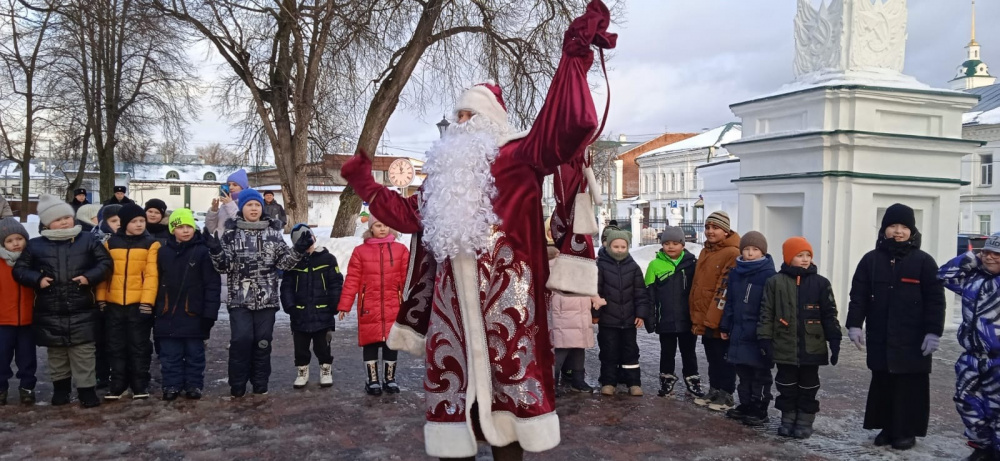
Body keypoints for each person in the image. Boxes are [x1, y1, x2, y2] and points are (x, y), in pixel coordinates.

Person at [339, 2, 614, 457]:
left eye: (471, 116)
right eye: (458, 116)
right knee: (457, 404)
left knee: (512, 404)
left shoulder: (521, 156)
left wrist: (575, 58)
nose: (461, 124)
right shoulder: (442, 177)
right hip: (452, 308)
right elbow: (408, 216)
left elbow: (567, 126)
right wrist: (365, 183)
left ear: (492, 121)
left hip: (509, 300)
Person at [847, 203, 945, 451]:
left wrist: (934, 332)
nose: (898, 231)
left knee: (909, 385)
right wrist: (854, 325)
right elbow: (858, 295)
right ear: (884, 229)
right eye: (892, 226)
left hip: (913, 338)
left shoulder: (923, 262)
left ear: (912, 231)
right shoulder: (871, 260)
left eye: (904, 227)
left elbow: (936, 300)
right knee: (883, 382)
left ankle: (906, 432)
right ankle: (887, 427)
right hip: (881, 335)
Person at [204, 188, 313, 397]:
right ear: (242, 208)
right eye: (248, 205)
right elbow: (223, 267)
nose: (253, 208)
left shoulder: (273, 234)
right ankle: (238, 384)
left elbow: (284, 263)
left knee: (263, 342)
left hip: (266, 300)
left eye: (256, 205)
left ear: (261, 208)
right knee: (241, 341)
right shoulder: (231, 234)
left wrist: (298, 249)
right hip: (239, 301)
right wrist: (216, 251)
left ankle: (260, 383)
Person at [13, 194, 112, 408]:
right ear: (47, 223)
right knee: (57, 355)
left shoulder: (87, 239)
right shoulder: (36, 245)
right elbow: (20, 270)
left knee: (84, 353)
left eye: (67, 217)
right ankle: (61, 391)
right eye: (58, 219)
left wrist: (89, 277)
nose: (64, 221)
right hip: (50, 309)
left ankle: (87, 391)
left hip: (82, 308)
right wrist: (37, 279)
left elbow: (105, 263)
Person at [759, 237, 841, 439]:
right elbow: (766, 312)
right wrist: (764, 339)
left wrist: (835, 339)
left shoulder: (821, 283)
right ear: (788, 257)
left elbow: (829, 313)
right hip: (783, 345)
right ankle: (788, 420)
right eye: (799, 255)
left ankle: (804, 421)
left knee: (809, 385)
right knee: (786, 384)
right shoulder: (775, 282)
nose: (805, 259)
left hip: (811, 346)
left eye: (808, 255)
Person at [940, 232, 1000, 461]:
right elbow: (944, 274)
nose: (990, 258)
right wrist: (974, 256)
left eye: (997, 254)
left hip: (998, 359)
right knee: (966, 401)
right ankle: (982, 447)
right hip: (972, 356)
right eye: (987, 252)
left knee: (997, 408)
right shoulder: (972, 280)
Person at [96, 204, 161, 400]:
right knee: (115, 345)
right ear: (125, 223)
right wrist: (101, 298)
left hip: (138, 304)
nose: (140, 224)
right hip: (113, 303)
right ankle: (118, 384)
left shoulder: (151, 244)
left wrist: (147, 302)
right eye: (134, 221)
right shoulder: (110, 243)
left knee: (139, 345)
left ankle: (140, 384)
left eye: (142, 221)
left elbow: (151, 276)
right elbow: (104, 274)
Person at [337, 217, 409, 395]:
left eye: (386, 224)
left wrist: (411, 303)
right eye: (378, 225)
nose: (382, 228)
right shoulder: (361, 251)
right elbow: (352, 279)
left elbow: (408, 278)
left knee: (391, 344)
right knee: (370, 343)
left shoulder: (401, 250)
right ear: (371, 228)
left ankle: (389, 379)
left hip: (394, 305)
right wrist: (344, 305)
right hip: (369, 305)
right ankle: (372, 380)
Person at [154, 208, 221, 401]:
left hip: (194, 312)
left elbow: (211, 285)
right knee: (170, 354)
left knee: (195, 354)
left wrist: (210, 313)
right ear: (172, 229)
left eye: (189, 226)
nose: (185, 230)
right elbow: (155, 281)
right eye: (180, 227)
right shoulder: (163, 252)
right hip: (167, 312)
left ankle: (193, 385)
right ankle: (172, 384)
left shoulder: (202, 251)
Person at [719, 231, 776, 423]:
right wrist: (726, 326)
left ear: (763, 252)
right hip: (739, 330)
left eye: (755, 249)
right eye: (746, 249)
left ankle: (759, 408)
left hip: (758, 332)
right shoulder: (736, 273)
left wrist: (766, 333)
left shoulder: (768, 275)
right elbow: (730, 302)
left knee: (759, 372)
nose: (750, 253)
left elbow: (770, 308)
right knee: (742, 371)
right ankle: (745, 404)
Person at [282, 224, 343, 390]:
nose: (308, 244)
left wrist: (334, 303)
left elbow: (336, 282)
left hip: (323, 312)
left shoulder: (327, 259)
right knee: (300, 347)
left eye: (309, 239)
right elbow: (286, 286)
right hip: (300, 313)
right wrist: (290, 306)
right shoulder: (293, 262)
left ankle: (325, 369)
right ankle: (302, 371)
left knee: (322, 345)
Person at [689, 211, 740, 411]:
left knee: (723, 357)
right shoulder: (706, 251)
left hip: (719, 316)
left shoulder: (732, 253)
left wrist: (714, 317)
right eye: (708, 227)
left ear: (725, 231)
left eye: (715, 228)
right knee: (712, 356)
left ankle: (726, 394)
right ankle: (715, 389)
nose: (710, 231)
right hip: (704, 314)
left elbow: (724, 288)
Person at [645, 226, 703, 398]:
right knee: (667, 352)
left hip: (688, 319)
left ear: (683, 245)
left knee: (689, 352)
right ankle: (666, 380)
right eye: (667, 243)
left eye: (675, 243)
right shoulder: (654, 265)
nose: (671, 247)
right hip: (666, 320)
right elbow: (649, 294)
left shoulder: (693, 264)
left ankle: (692, 380)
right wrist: (651, 317)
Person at [594, 229, 650, 397]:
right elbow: (595, 291)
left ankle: (633, 383)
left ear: (628, 247)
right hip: (607, 320)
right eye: (615, 246)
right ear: (608, 246)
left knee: (630, 351)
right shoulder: (600, 266)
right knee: (608, 351)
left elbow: (640, 293)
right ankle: (608, 382)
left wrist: (641, 314)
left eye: (623, 246)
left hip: (629, 320)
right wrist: (595, 313)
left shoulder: (633, 267)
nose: (619, 249)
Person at [0, 218, 35, 405]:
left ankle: (27, 387)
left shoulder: (33, 261)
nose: (15, 243)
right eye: (10, 240)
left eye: (19, 239)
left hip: (27, 321)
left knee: (27, 357)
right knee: (1, 357)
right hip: (3, 321)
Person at [206, 168, 249, 237]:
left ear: (243, 187)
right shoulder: (224, 205)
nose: (231, 187)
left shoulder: (247, 203)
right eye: (229, 185)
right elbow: (211, 229)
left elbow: (243, 223)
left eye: (235, 185)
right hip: (220, 245)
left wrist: (230, 204)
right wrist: (213, 212)